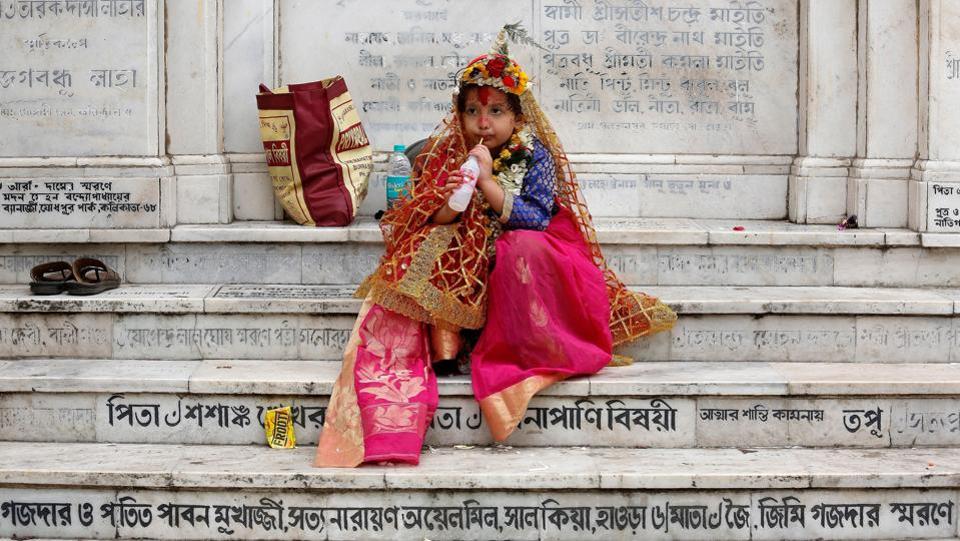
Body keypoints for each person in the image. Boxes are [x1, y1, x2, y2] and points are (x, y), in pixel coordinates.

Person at [315, 26, 676, 467]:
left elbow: (537, 217)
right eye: (472, 110)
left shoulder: (534, 154)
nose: (482, 122)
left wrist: (486, 180)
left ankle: (521, 346)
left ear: (516, 118)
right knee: (430, 245)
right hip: (465, 237)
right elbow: (431, 214)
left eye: (495, 111)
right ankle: (445, 349)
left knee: (518, 251)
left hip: (524, 238)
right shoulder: (444, 152)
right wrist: (453, 196)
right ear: (460, 114)